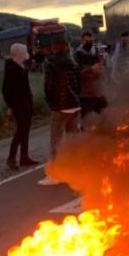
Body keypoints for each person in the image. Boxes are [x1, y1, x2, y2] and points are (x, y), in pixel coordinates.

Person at [40, 38, 80, 185]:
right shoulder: (73, 62)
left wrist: (51, 103)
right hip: (75, 105)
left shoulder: (50, 63)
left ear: (53, 48)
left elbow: (48, 86)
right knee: (73, 138)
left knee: (56, 140)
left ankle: (55, 175)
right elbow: (78, 83)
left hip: (60, 106)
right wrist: (76, 99)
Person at [2, 43, 39, 170]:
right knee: (20, 130)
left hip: (26, 103)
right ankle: (11, 158)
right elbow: (6, 89)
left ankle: (24, 156)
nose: (25, 54)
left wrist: (30, 101)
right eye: (23, 51)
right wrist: (10, 105)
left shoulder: (22, 65)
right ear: (18, 53)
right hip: (18, 105)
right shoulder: (11, 68)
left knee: (25, 130)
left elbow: (26, 87)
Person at [74, 32, 108, 119]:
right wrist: (91, 69)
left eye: (90, 41)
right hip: (85, 95)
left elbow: (102, 70)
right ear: (82, 41)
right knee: (87, 120)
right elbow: (76, 75)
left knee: (104, 117)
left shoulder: (95, 53)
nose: (89, 43)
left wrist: (100, 72)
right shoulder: (77, 55)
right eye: (86, 41)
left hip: (98, 92)